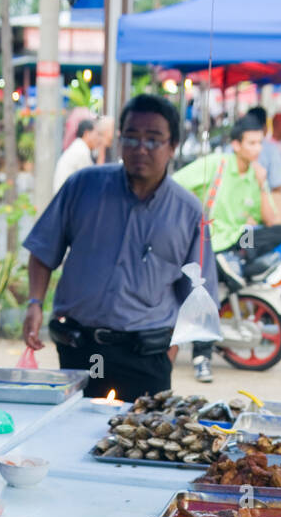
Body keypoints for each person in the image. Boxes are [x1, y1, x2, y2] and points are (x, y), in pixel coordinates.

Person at [21, 94, 218, 403]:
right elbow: (44, 249)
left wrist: (172, 349)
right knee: (71, 441)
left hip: (147, 356)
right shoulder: (83, 187)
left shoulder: (189, 212)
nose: (140, 148)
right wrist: (35, 302)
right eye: (131, 137)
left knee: (142, 446)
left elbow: (198, 292)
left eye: (153, 140)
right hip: (79, 350)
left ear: (173, 146)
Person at [173, 112, 281, 384]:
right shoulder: (217, 164)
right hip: (208, 241)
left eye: (260, 143)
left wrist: (261, 185)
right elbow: (175, 183)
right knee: (206, 289)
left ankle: (236, 264)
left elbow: (271, 220)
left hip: (237, 241)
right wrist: (194, 213)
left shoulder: (255, 175)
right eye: (251, 143)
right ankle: (202, 358)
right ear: (236, 145)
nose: (257, 149)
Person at [249, 105, 281, 222]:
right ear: (265, 127)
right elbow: (278, 187)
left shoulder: (233, 150)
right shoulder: (270, 150)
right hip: (261, 217)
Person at [52, 119, 101, 193]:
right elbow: (93, 180)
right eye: (96, 134)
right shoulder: (81, 151)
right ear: (86, 133)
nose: (98, 139)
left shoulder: (78, 146)